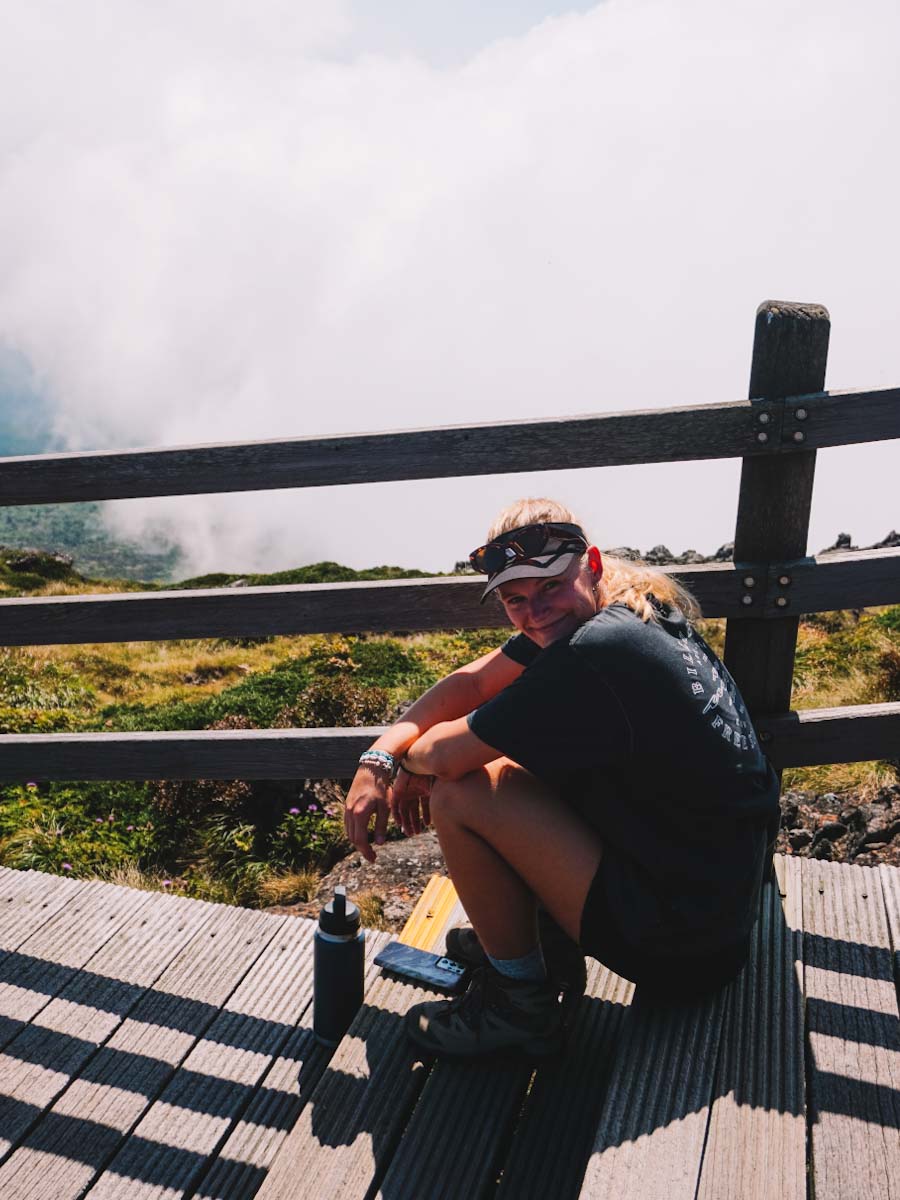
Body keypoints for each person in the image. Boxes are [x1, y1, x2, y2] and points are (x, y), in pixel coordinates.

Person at [343, 498, 780, 1058]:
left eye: (548, 586)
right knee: (508, 761)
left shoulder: (593, 652)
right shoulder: (630, 608)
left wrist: (403, 764)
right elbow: (473, 683)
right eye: (514, 600)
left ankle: (520, 1005)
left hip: (683, 944)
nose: (535, 610)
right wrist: (380, 755)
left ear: (590, 564)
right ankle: (533, 941)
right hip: (719, 899)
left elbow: (446, 758)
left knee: (461, 793)